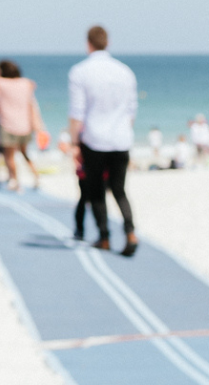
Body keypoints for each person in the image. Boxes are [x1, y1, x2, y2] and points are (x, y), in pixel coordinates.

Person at [68, 25, 139, 256]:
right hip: (121, 139)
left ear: (88, 43)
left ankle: (104, 237)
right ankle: (130, 232)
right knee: (120, 190)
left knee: (96, 190)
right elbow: (131, 111)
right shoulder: (125, 72)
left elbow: (77, 113)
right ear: (107, 43)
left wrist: (74, 143)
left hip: (94, 139)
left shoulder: (80, 71)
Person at [0, 59, 45, 191]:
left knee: (9, 156)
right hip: (25, 125)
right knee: (24, 153)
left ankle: (15, 180)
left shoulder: (1, 83)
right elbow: (31, 103)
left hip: (8, 124)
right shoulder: (26, 83)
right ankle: (36, 176)